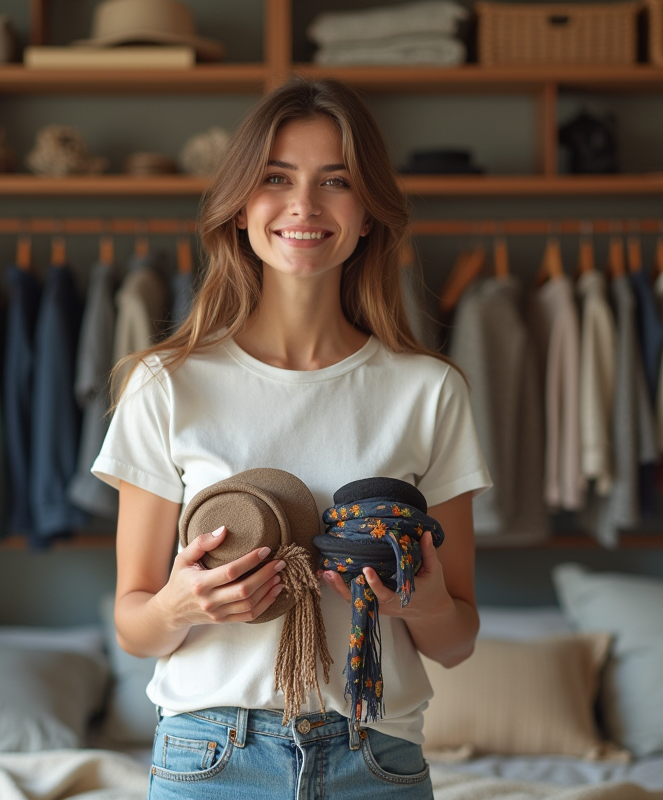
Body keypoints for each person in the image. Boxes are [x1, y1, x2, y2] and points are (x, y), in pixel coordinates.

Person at [92, 76, 490, 800]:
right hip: (212, 759)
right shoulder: (166, 384)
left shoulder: (429, 391)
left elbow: (457, 639)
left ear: (368, 212)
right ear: (243, 204)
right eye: (278, 178)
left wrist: (421, 605)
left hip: (378, 760)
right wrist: (183, 605)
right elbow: (134, 624)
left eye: (335, 181)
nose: (304, 205)